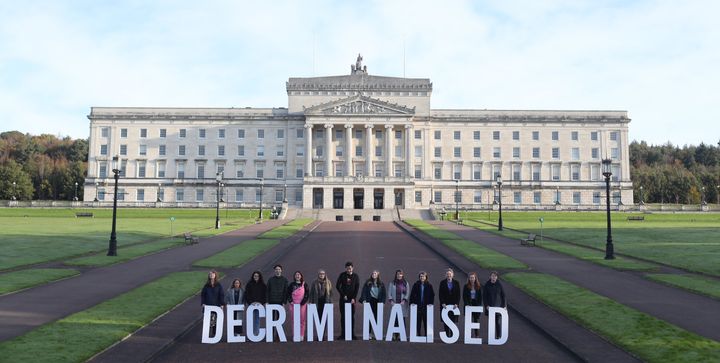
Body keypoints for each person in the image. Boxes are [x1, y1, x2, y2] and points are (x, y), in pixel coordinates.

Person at [336, 261, 360, 340]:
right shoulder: (342, 275)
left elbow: (357, 288)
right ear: (345, 268)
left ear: (352, 268)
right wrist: (343, 295)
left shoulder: (356, 276)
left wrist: (354, 298)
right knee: (343, 316)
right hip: (343, 299)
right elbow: (337, 286)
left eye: (350, 268)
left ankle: (352, 334)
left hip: (352, 300)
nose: (349, 270)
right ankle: (343, 334)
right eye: (347, 268)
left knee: (351, 317)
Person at [359, 270, 387, 338]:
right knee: (369, 317)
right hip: (370, 301)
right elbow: (364, 291)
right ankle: (368, 333)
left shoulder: (381, 284)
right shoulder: (368, 283)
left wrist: (383, 302)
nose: (373, 274)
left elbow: (384, 294)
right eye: (373, 273)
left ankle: (377, 333)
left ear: (377, 275)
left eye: (375, 273)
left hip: (378, 301)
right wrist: (364, 300)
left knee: (377, 317)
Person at [266, 264, 289, 340]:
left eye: (279, 269)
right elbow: (267, 291)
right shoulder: (270, 280)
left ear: (281, 270)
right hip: (272, 302)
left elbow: (286, 292)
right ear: (274, 271)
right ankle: (271, 335)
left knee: (280, 320)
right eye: (276, 269)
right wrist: (267, 301)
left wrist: (284, 302)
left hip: (280, 302)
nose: (277, 270)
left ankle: (279, 335)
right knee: (271, 320)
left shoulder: (285, 280)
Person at [482, 271, 507, 339]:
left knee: (498, 322)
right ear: (490, 276)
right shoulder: (487, 285)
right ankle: (491, 336)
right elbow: (484, 297)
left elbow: (503, 296)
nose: (493, 277)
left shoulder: (499, 285)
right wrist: (486, 305)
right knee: (491, 323)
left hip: (498, 307)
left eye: (495, 276)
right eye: (492, 276)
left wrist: (504, 306)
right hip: (490, 307)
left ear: (497, 277)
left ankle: (498, 336)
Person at [409, 271, 434, 337]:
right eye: (420, 276)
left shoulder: (429, 285)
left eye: (423, 276)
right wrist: (411, 303)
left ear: (426, 277)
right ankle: (418, 334)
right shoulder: (416, 284)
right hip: (418, 306)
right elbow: (412, 294)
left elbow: (432, 295)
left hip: (426, 306)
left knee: (426, 321)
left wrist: (431, 303)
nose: (422, 277)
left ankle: (426, 334)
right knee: (418, 321)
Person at [387, 269, 410, 341]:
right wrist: (391, 301)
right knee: (394, 319)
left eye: (400, 274)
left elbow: (407, 293)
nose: (399, 275)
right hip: (394, 304)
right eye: (397, 274)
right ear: (396, 275)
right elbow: (389, 293)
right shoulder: (392, 283)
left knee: (402, 319)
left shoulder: (405, 283)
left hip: (402, 305)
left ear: (402, 275)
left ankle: (401, 334)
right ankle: (394, 334)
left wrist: (404, 300)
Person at [201, 270, 225, 335]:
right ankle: (206, 335)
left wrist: (222, 304)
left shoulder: (218, 285)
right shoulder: (206, 285)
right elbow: (203, 295)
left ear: (215, 276)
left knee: (215, 321)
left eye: (213, 274)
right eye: (210, 274)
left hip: (216, 306)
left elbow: (221, 295)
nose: (211, 275)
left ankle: (214, 335)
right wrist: (203, 303)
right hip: (208, 306)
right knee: (207, 321)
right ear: (209, 276)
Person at [438, 268, 461, 336]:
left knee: (453, 320)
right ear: (446, 275)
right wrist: (443, 303)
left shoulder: (457, 283)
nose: (449, 275)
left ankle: (452, 335)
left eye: (450, 274)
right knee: (446, 321)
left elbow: (458, 294)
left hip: (454, 305)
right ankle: (447, 334)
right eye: (447, 274)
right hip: (445, 305)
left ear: (452, 275)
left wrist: (457, 303)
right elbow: (440, 294)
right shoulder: (442, 283)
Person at [243, 270, 267, 336]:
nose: (256, 277)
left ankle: (256, 333)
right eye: (255, 276)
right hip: (251, 305)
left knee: (257, 319)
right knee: (250, 319)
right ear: (253, 276)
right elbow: (246, 294)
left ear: (260, 277)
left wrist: (261, 303)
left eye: (257, 276)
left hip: (259, 305)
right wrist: (251, 302)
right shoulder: (249, 284)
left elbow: (265, 295)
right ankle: (250, 333)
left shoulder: (263, 285)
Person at [287, 271, 309, 340]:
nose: (297, 276)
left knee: (302, 320)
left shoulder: (304, 284)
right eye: (296, 275)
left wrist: (303, 302)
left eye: (299, 275)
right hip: (293, 305)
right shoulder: (291, 284)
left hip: (302, 304)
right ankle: (295, 335)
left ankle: (301, 335)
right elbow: (288, 293)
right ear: (294, 276)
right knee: (294, 320)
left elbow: (307, 294)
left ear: (301, 276)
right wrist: (290, 301)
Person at [462, 272, 482, 338]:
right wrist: (467, 304)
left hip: (476, 305)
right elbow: (464, 296)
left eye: (473, 277)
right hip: (468, 304)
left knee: (476, 320)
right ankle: (468, 335)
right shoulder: (466, 286)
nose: (472, 279)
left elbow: (480, 297)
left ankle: (477, 335)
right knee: (468, 320)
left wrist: (479, 305)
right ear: (469, 278)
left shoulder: (478, 286)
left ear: (475, 278)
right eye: (470, 278)